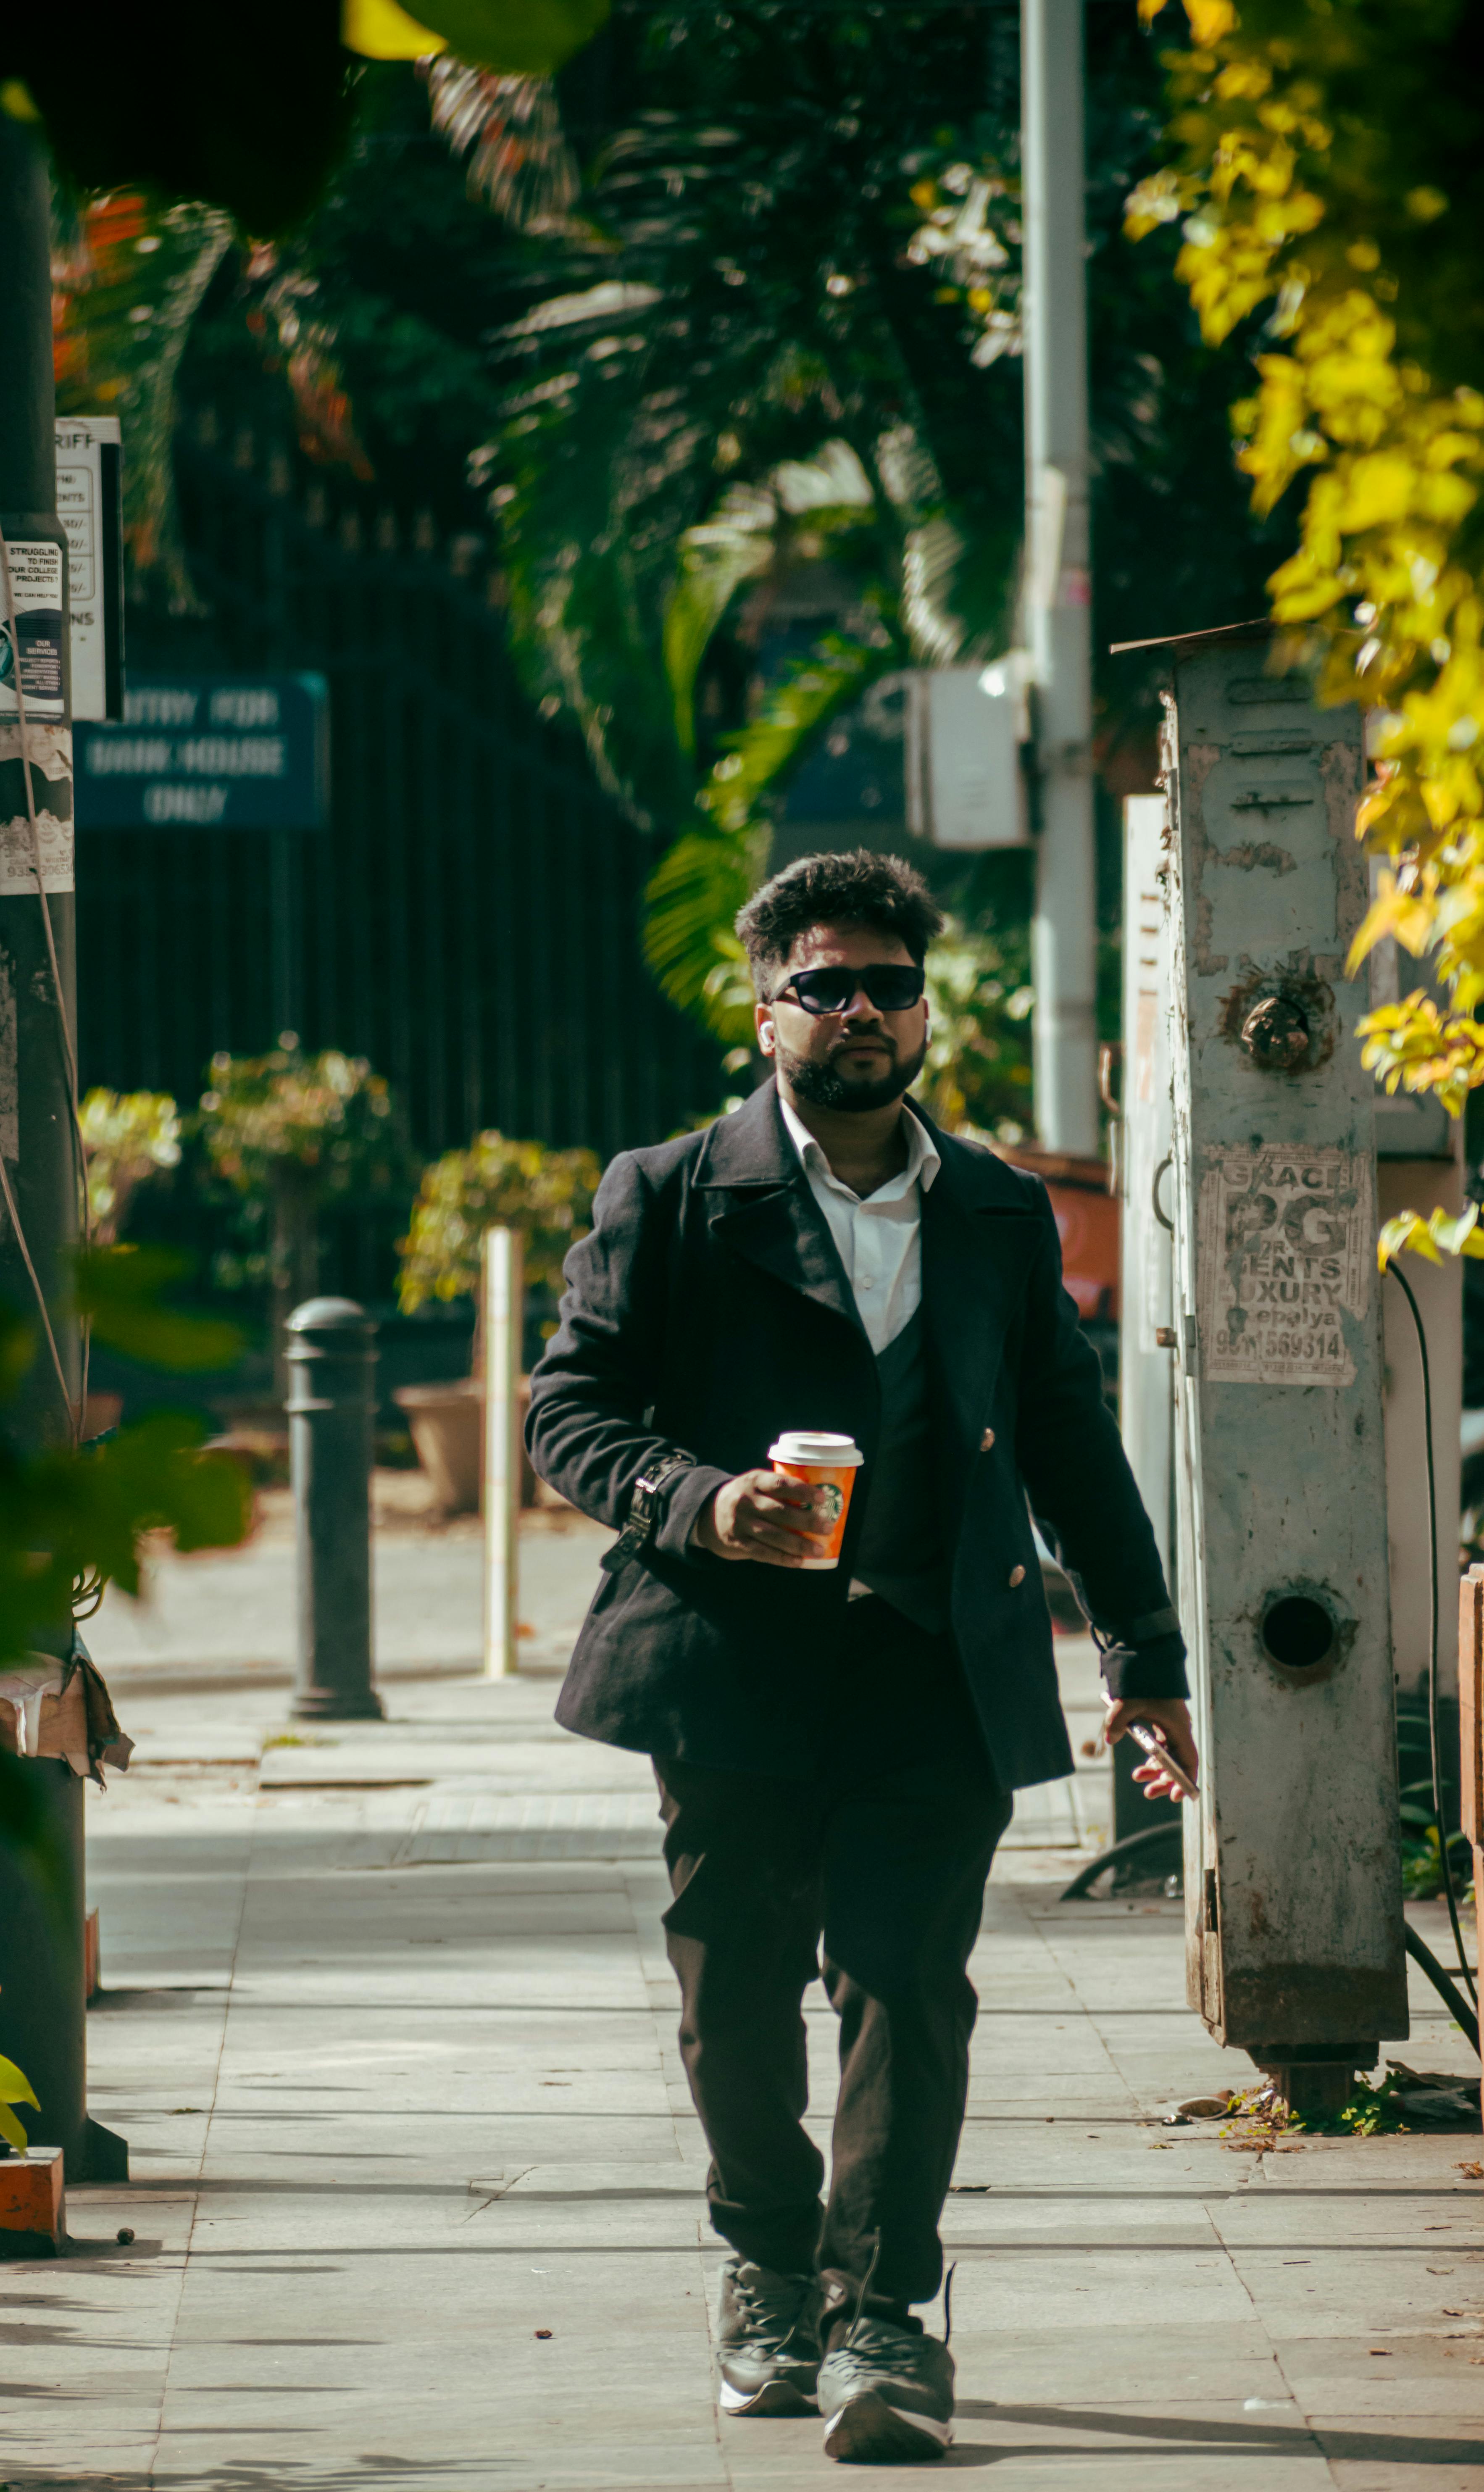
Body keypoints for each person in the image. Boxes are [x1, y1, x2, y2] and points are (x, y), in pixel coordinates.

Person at [526, 850, 1196, 2466]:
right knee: (736, 1996)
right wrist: (698, 1501)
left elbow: (1063, 1437)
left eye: (888, 985)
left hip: (930, 1663)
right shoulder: (670, 1192)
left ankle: (881, 2307)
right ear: (767, 1011)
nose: (862, 1012)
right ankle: (764, 2264)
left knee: (906, 1985)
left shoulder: (991, 1207)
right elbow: (568, 1409)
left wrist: (1140, 1651)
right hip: (731, 1663)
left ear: (921, 1009)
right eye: (825, 984)